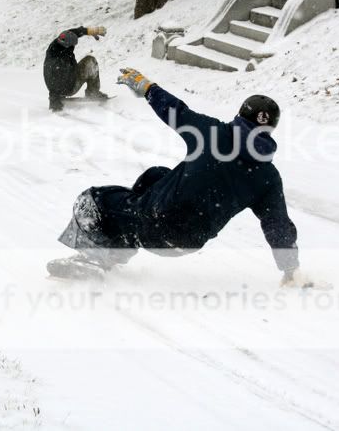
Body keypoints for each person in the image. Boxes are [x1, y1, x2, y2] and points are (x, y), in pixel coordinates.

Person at [48, 68, 311, 287]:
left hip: (156, 223)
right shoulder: (268, 176)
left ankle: (94, 257)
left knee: (93, 199)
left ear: (240, 115)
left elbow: (175, 110)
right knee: (156, 176)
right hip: (188, 242)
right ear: (271, 130)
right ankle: (119, 243)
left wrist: (148, 88)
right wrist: (291, 269)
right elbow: (278, 226)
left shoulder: (212, 132)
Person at [44, 26, 109, 111]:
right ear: (67, 45)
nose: (74, 46)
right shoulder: (57, 62)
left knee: (88, 61)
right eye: (73, 45)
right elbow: (52, 79)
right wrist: (54, 100)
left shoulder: (59, 41)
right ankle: (93, 92)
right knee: (91, 62)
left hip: (68, 77)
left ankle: (92, 92)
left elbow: (73, 32)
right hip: (67, 87)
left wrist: (90, 31)